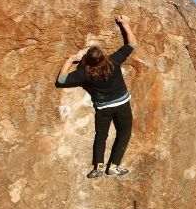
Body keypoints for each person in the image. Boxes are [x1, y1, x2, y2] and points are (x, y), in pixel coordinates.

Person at [56, 15, 137, 178]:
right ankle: (114, 165)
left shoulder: (84, 74)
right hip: (122, 105)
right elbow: (132, 44)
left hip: (103, 108)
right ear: (103, 56)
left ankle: (98, 166)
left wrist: (71, 59)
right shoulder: (113, 62)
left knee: (101, 135)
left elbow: (61, 80)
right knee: (124, 132)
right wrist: (125, 25)